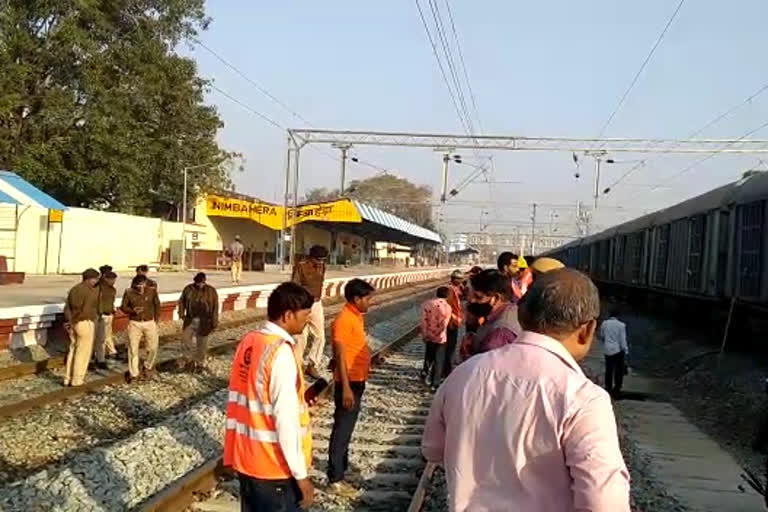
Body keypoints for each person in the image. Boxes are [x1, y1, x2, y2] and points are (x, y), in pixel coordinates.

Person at [422, 269, 631, 511]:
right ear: (586, 330)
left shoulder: (463, 374)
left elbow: (433, 450)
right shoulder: (583, 399)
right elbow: (604, 503)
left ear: (521, 316)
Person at [223, 282, 315, 511]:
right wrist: (301, 475)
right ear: (287, 315)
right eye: (305, 315)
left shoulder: (250, 342)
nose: (308, 321)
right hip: (273, 468)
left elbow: (247, 398)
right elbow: (285, 421)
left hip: (246, 460)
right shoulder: (280, 353)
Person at [327, 278, 375, 497]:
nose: (370, 302)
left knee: (347, 428)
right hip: (349, 382)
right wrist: (345, 387)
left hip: (357, 379)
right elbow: (339, 353)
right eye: (367, 298)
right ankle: (335, 479)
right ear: (356, 299)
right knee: (342, 430)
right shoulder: (344, 320)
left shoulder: (355, 316)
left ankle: (341, 471)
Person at [460, 269, 520, 360]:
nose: (472, 300)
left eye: (478, 297)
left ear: (496, 298)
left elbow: (483, 368)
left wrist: (467, 356)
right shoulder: (510, 310)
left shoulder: (500, 333)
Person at [292, 245, 328, 379]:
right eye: (318, 260)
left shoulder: (322, 266)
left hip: (317, 304)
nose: (320, 262)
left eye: (323, 260)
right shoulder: (301, 266)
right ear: (311, 257)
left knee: (320, 336)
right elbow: (294, 286)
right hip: (302, 305)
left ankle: (312, 364)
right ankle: (297, 365)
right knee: (300, 337)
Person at [62, 268, 100, 386]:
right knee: (83, 352)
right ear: (90, 279)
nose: (96, 281)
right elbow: (86, 309)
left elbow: (67, 307)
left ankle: (67, 378)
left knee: (73, 350)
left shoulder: (74, 289)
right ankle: (77, 379)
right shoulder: (89, 291)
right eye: (95, 279)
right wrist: (77, 319)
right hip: (84, 322)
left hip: (72, 323)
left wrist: (70, 321)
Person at [120, 274, 161, 383]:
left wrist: (156, 319)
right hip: (135, 322)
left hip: (149, 321)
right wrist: (133, 310)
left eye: (142, 284)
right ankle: (134, 374)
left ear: (145, 283)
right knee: (133, 349)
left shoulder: (152, 291)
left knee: (153, 347)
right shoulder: (129, 292)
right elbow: (123, 307)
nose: (141, 287)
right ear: (134, 284)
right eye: (138, 285)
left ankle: (148, 366)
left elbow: (157, 305)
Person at [178, 272, 219, 371]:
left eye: (202, 283)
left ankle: (200, 363)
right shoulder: (188, 289)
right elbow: (181, 302)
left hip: (205, 321)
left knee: (202, 344)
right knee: (186, 340)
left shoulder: (211, 291)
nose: (200, 285)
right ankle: (188, 361)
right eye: (198, 283)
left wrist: (214, 321)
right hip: (190, 319)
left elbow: (215, 307)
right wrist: (181, 314)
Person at [420, 287, 453, 391]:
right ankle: (435, 383)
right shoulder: (447, 307)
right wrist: (437, 334)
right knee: (439, 360)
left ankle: (425, 372)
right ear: (447, 295)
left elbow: (423, 321)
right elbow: (444, 324)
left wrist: (426, 334)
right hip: (440, 338)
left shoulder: (426, 304)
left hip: (428, 336)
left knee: (429, 355)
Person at [599, 309, 629, 399]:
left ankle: (608, 387)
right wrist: (626, 350)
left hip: (607, 349)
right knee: (619, 371)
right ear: (618, 316)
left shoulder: (604, 323)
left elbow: (602, 336)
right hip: (618, 350)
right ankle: (617, 388)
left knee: (609, 369)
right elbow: (622, 340)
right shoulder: (621, 325)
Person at [94, 269, 118, 369]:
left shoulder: (112, 289)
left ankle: (102, 357)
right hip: (100, 315)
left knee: (104, 336)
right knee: (100, 338)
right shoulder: (99, 288)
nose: (114, 282)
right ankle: (99, 358)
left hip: (109, 314)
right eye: (112, 279)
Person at [444, 270, 464, 376]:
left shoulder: (456, 289)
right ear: (453, 279)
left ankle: (447, 369)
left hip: (454, 321)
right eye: (459, 279)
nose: (460, 281)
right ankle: (447, 370)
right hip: (451, 322)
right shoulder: (450, 290)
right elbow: (448, 307)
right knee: (450, 347)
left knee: (451, 346)